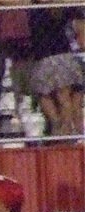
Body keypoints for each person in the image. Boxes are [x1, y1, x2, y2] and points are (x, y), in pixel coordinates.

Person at [27, 6, 85, 138]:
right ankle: (64, 131)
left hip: (56, 57)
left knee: (66, 100)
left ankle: (66, 132)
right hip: (56, 58)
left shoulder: (61, 10)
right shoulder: (40, 10)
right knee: (60, 99)